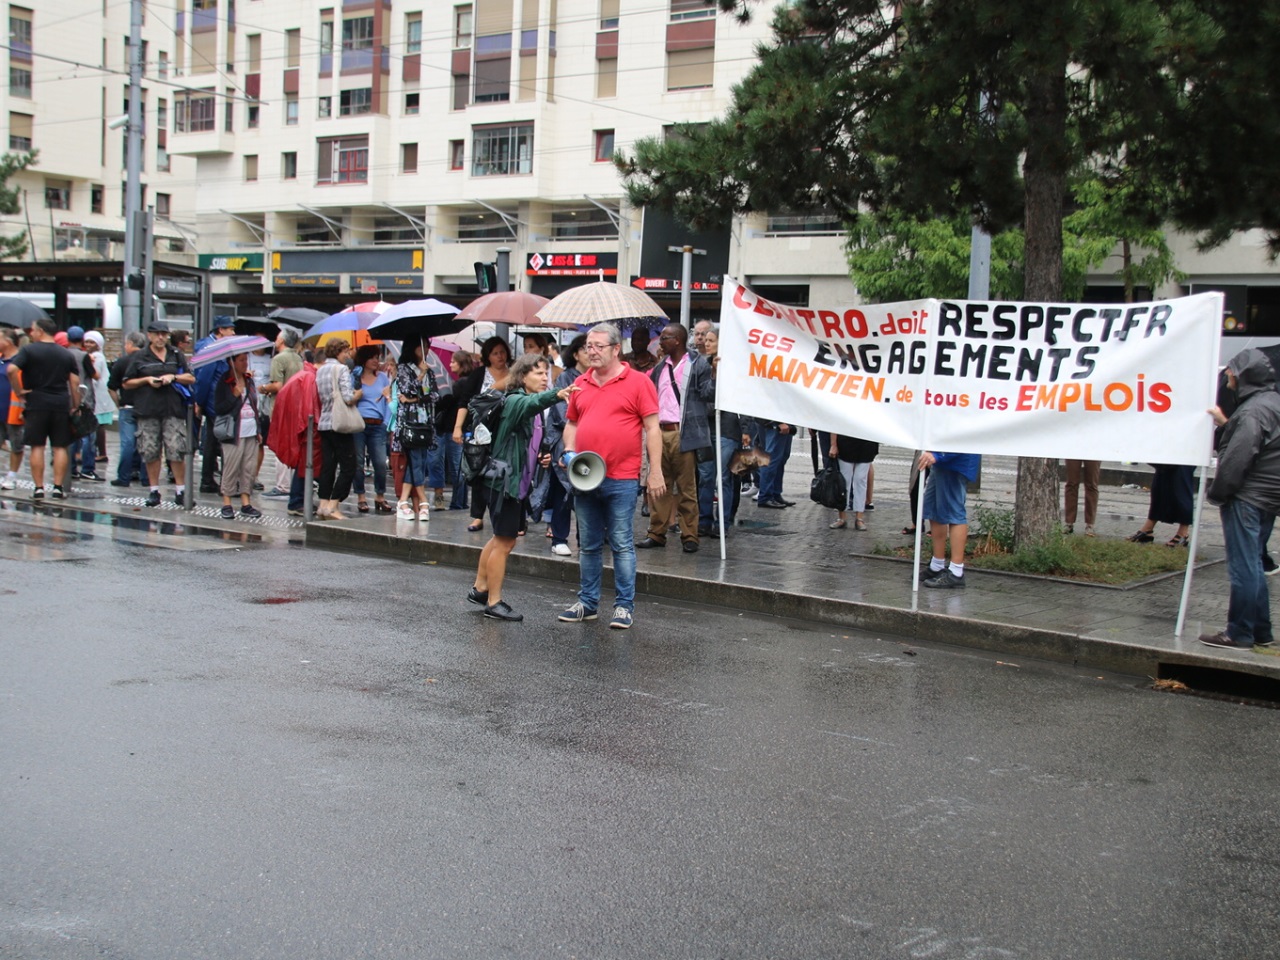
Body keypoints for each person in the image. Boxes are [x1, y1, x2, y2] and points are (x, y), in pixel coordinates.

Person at [559, 322, 665, 630]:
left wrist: (655, 472)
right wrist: (568, 449)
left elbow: (652, 428)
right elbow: (573, 425)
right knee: (589, 544)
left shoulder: (638, 382)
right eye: (588, 346)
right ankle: (588, 603)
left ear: (616, 349)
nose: (591, 351)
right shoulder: (580, 382)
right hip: (585, 476)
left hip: (621, 477)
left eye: (598, 346)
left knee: (621, 543)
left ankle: (623, 606)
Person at [469, 353, 579, 621]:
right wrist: (557, 394)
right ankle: (494, 602)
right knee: (505, 542)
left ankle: (480, 588)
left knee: (500, 538)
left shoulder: (528, 407)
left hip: (512, 482)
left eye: (546, 373)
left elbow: (528, 439)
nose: (545, 378)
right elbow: (533, 402)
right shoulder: (518, 400)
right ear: (522, 376)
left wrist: (541, 454)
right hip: (504, 483)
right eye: (539, 373)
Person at [1200, 349, 1280, 649]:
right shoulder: (1270, 404)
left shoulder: (1252, 412)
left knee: (1243, 565)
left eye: (1231, 370)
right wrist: (1226, 424)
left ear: (1242, 375)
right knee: (1255, 563)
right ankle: (1261, 631)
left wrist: (1218, 493)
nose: (1228, 375)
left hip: (1247, 496)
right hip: (1268, 497)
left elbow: (1237, 458)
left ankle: (1239, 632)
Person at [636, 324, 714, 553]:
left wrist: (717, 373)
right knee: (659, 486)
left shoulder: (697, 363)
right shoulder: (661, 367)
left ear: (678, 340)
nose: (660, 342)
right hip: (660, 432)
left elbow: (709, 395)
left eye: (665, 338)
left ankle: (690, 535)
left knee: (687, 487)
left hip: (684, 432)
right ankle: (656, 533)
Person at [118, 320, 196, 507]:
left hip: (172, 408)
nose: (161, 337)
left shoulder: (176, 354)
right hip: (148, 409)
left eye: (164, 334)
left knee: (176, 449)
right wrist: (146, 380)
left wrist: (173, 377)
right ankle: (154, 491)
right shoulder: (140, 357)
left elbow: (191, 377)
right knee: (150, 450)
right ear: (150, 336)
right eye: (157, 334)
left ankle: (180, 490)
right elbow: (126, 383)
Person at [6, 315, 79, 501]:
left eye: (33, 330)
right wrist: (76, 405)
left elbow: (11, 370)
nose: (31, 333)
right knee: (60, 446)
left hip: (36, 401)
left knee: (37, 446)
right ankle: (58, 487)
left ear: (40, 331)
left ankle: (38, 488)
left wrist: (18, 389)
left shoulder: (29, 350)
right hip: (60, 402)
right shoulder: (66, 353)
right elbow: (75, 381)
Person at [452, 336, 512, 532]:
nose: (500, 356)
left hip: (507, 430)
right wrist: (458, 427)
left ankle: (512, 516)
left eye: (502, 352)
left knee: (508, 471)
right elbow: (464, 402)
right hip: (481, 430)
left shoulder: (514, 373)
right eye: (495, 353)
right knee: (478, 471)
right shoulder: (479, 374)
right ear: (488, 356)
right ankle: (477, 516)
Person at [545, 334, 588, 555]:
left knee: (586, 488)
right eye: (586, 349)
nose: (591, 353)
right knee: (563, 489)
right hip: (566, 442)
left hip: (590, 443)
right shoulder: (566, 378)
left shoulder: (597, 377)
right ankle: (559, 537)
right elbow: (563, 413)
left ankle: (586, 537)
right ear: (575, 353)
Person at [917, 450, 980, 588]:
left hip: (954, 461)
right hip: (942, 460)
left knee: (954, 513)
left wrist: (939, 454)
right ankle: (937, 564)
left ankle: (956, 571)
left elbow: (959, 435)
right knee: (934, 509)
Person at [212, 351, 264, 520]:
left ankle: (245, 502)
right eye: (241, 360)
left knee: (248, 468)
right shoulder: (224, 382)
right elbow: (219, 408)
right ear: (231, 362)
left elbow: (255, 406)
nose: (245, 363)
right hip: (234, 431)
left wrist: (258, 430)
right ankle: (227, 502)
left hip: (250, 429)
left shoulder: (249, 380)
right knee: (231, 466)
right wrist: (234, 395)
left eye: (246, 359)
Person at [314, 338, 361, 520]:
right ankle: (333, 506)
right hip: (340, 422)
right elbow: (348, 397)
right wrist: (358, 394)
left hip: (325, 422)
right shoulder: (341, 369)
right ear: (338, 352)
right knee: (349, 466)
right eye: (345, 352)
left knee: (328, 465)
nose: (347, 355)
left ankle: (323, 505)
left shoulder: (321, 370)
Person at [392, 335, 438, 521]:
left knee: (418, 461)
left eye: (427, 346)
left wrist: (416, 399)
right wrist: (420, 376)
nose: (425, 350)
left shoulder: (431, 372)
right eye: (422, 347)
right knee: (414, 459)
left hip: (425, 422)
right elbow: (406, 389)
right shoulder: (404, 368)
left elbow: (434, 395)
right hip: (409, 422)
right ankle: (423, 499)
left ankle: (403, 501)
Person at [258, 327, 304, 499]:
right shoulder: (299, 358)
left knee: (281, 445)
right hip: (298, 406)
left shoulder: (279, 359)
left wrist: (263, 388)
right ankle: (293, 482)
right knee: (294, 444)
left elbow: (277, 385)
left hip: (281, 408)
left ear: (282, 341)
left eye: (277, 338)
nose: (275, 340)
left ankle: (282, 485)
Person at [193, 316, 237, 493]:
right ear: (220, 330)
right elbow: (204, 379)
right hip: (216, 401)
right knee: (225, 440)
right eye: (230, 329)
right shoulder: (213, 348)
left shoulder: (209, 345)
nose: (233, 333)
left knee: (211, 442)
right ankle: (225, 483)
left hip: (213, 400)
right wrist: (200, 401)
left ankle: (207, 479)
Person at [350, 344, 392, 515]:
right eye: (372, 357)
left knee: (380, 463)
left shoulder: (382, 378)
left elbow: (388, 400)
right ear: (364, 359)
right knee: (358, 462)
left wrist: (387, 423)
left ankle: (380, 495)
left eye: (377, 357)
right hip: (358, 423)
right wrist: (355, 380)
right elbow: (349, 397)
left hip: (378, 424)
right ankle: (361, 496)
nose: (376, 361)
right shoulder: (354, 376)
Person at [107, 331, 147, 487]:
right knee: (146, 444)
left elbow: (111, 387)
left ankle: (124, 477)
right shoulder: (148, 360)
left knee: (127, 444)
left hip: (127, 407)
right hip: (146, 408)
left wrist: (119, 403)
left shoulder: (122, 362)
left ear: (130, 344)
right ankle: (146, 477)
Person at [435, 349, 474, 511]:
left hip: (453, 429)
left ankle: (458, 502)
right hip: (460, 428)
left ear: (461, 363)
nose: (450, 364)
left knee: (456, 467)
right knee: (459, 466)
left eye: (453, 361)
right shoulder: (469, 381)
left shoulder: (460, 384)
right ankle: (461, 501)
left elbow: (447, 402)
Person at [64, 325, 99, 481]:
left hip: (65, 398)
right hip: (84, 398)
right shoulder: (84, 356)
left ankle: (70, 468)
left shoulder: (63, 354)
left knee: (69, 435)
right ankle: (87, 468)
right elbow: (95, 375)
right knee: (88, 434)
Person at [829, 434, 879, 531]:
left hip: (867, 443)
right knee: (844, 481)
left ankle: (859, 518)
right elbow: (836, 422)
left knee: (860, 479)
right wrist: (833, 444)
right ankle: (842, 517)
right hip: (845, 442)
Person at [83, 331, 116, 474]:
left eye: (92, 342)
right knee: (99, 425)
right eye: (87, 341)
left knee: (98, 425)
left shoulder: (96, 357)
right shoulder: (98, 356)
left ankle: (101, 453)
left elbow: (94, 375)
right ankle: (101, 452)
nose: (89, 345)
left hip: (99, 396)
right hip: (101, 395)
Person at [0, 326, 25, 490]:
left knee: (17, 443)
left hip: (13, 410)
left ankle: (12, 475)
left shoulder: (21, 360)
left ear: (7, 342)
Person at [756, 418, 796, 509]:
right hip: (773, 422)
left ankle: (774, 494)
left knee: (780, 458)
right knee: (771, 459)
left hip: (782, 421)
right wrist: (779, 422)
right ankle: (766, 496)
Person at [1064, 459, 1100, 535]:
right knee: (1071, 484)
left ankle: (1090, 524)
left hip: (1093, 449)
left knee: (1092, 485)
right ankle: (1069, 522)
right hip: (1074, 449)